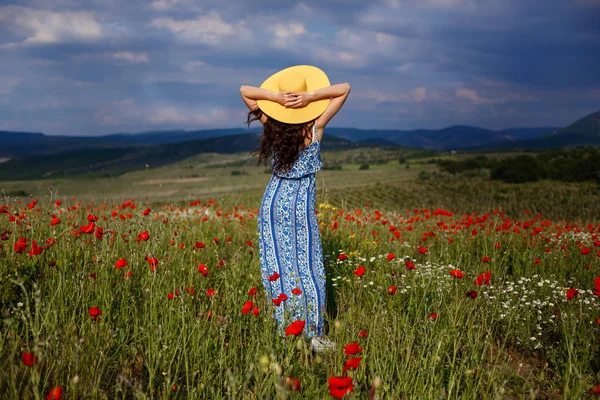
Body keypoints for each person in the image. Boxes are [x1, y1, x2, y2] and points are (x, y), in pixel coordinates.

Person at [239, 65, 350, 352]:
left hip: (273, 201)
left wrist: (276, 100)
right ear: (304, 103)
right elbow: (344, 88)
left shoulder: (272, 126)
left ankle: (286, 326)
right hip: (299, 204)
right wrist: (311, 95)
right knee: (308, 266)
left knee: (278, 265)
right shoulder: (313, 128)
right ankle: (313, 334)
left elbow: (245, 91)